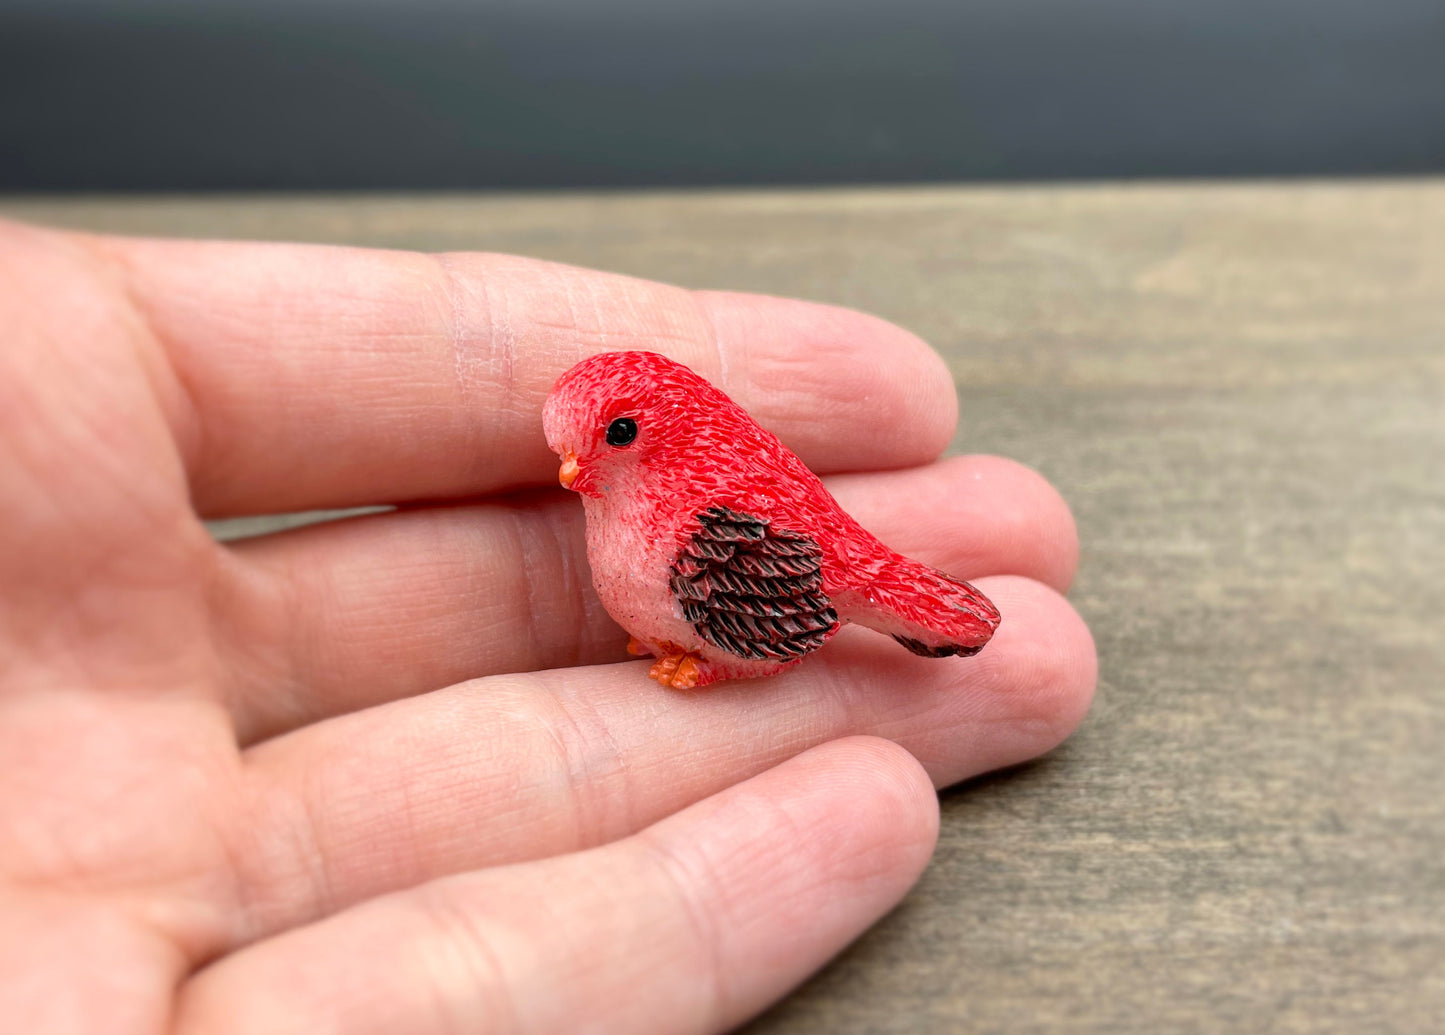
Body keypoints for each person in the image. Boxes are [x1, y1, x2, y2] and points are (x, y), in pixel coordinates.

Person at [0, 219, 1095, 1033]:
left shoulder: (696, 515)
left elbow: (790, 604)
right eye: (567, 444)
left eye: (604, 440)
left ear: (650, 428)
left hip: (784, 597)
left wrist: (718, 661)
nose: (571, 471)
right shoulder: (632, 489)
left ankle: (896, 624)